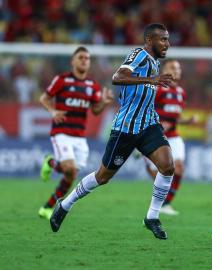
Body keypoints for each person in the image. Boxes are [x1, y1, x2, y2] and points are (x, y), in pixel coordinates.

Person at [49, 23, 175, 240]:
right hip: (125, 127)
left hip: (148, 124)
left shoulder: (154, 62)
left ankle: (152, 217)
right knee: (103, 176)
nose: (167, 44)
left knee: (167, 166)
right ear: (149, 41)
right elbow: (117, 77)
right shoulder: (139, 55)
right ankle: (65, 204)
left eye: (167, 39)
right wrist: (151, 80)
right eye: (162, 39)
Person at [38, 46, 114, 219]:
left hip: (80, 136)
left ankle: (48, 206)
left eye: (87, 58)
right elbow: (44, 98)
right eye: (80, 57)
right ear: (72, 61)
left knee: (70, 174)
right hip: (61, 132)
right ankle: (50, 163)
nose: (84, 60)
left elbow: (95, 111)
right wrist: (53, 112)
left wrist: (104, 102)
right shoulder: (62, 80)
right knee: (70, 168)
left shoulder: (92, 85)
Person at [143, 59, 197, 216]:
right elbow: (144, 110)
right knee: (158, 174)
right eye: (173, 67)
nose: (177, 70)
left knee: (178, 167)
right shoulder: (157, 89)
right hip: (153, 135)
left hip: (173, 136)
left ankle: (166, 203)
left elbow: (174, 117)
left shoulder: (181, 93)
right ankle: (142, 154)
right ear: (164, 70)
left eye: (178, 68)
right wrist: (158, 124)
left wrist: (187, 121)